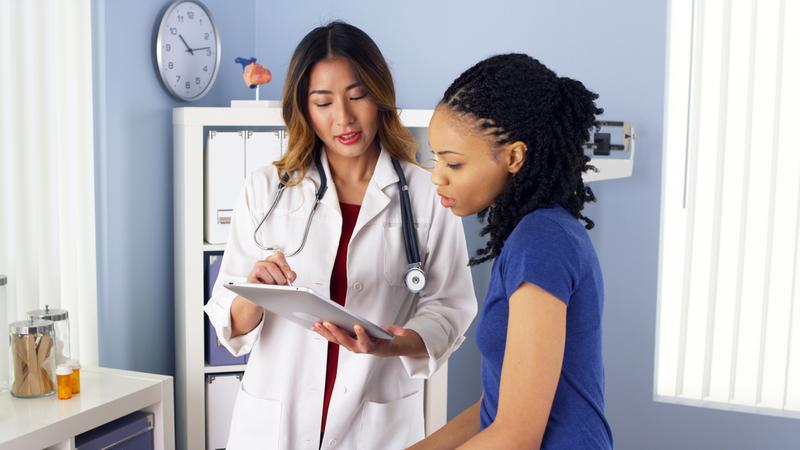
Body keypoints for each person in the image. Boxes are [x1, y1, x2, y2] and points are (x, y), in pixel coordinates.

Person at [203, 21, 477, 450]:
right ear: (304, 108)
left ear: (379, 96)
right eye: (323, 102)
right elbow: (230, 323)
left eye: (357, 95)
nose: (343, 118)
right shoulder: (265, 189)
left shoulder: (426, 193)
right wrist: (252, 293)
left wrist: (395, 344)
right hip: (277, 424)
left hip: (376, 423)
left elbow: (451, 306)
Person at [410, 53, 613, 449]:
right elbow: (496, 407)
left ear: (514, 157)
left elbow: (516, 437)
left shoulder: (541, 240)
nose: (437, 176)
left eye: (453, 163)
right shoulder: (533, 234)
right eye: (436, 159)